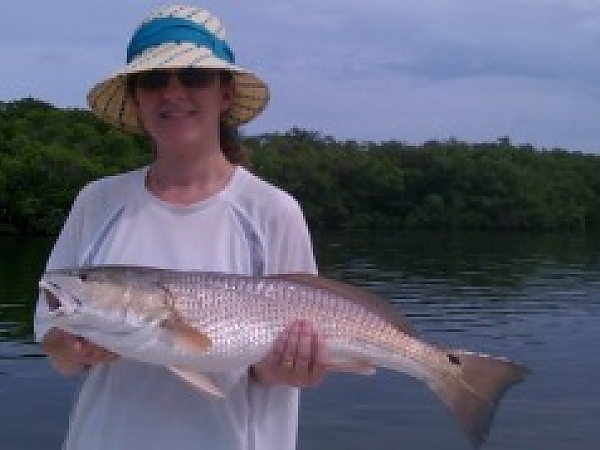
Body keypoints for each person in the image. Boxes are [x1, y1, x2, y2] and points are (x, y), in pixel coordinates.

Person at [34, 5, 327, 450]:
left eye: (193, 75)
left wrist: (291, 365)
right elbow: (55, 346)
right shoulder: (96, 203)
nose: (173, 92)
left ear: (225, 93)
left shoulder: (273, 210)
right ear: (136, 98)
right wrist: (71, 349)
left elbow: (273, 372)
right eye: (153, 81)